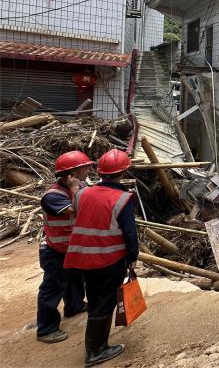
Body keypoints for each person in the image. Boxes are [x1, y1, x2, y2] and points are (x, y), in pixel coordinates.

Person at [63, 149, 139, 367]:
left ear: (100, 171)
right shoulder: (122, 199)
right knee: (104, 303)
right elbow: (130, 233)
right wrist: (133, 256)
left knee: (95, 298)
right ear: (124, 172)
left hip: (83, 257)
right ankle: (95, 351)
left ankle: (97, 345)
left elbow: (83, 218)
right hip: (109, 259)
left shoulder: (82, 194)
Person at [36, 150, 93, 343]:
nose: (88, 169)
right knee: (53, 288)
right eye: (85, 167)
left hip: (72, 247)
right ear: (73, 173)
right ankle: (46, 329)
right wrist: (77, 189)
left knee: (76, 279)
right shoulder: (53, 196)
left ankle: (74, 306)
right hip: (55, 250)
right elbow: (81, 209)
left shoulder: (81, 186)